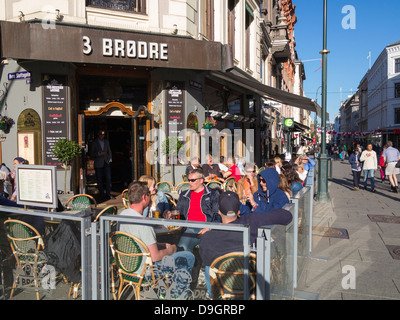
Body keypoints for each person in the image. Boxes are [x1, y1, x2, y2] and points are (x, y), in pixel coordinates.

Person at [199, 191, 293, 298]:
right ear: (238, 211)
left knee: (209, 266)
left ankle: (212, 297)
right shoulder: (252, 220)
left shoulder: (209, 236)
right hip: (251, 285)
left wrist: (214, 228)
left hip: (225, 290)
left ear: (219, 212)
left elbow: (205, 259)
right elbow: (287, 216)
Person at [119, 181, 195, 273]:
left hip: (126, 266)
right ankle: (178, 287)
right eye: (149, 194)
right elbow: (155, 257)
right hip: (146, 270)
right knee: (188, 256)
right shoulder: (144, 223)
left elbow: (137, 243)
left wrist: (161, 245)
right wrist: (171, 250)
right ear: (144, 197)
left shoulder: (122, 215)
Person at [164, 168, 220, 252]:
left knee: (184, 247)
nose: (189, 182)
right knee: (176, 245)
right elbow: (178, 211)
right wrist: (170, 214)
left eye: (192, 180)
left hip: (206, 227)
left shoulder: (212, 194)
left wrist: (209, 228)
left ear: (201, 180)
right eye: (188, 180)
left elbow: (217, 214)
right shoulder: (184, 194)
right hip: (188, 227)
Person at [91, 129, 113, 200]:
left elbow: (109, 151)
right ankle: (102, 195)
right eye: (101, 134)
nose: (102, 135)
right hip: (98, 163)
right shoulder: (95, 142)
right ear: (98, 134)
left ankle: (108, 194)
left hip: (106, 162)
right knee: (99, 179)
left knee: (108, 178)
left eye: (103, 134)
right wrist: (98, 153)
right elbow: (91, 153)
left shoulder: (106, 142)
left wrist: (110, 159)